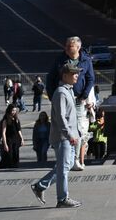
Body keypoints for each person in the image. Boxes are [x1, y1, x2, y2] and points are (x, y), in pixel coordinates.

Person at [31, 59, 84, 208]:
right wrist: (69, 135)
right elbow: (61, 117)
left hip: (69, 137)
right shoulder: (61, 93)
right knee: (63, 170)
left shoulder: (68, 91)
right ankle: (62, 199)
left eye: (77, 74)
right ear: (65, 75)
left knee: (64, 167)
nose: (77, 76)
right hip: (63, 138)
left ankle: (40, 186)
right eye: (74, 74)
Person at [46, 36, 95, 170]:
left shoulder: (85, 60)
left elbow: (91, 79)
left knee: (78, 130)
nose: (66, 48)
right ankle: (63, 157)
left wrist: (84, 95)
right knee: (62, 125)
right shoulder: (60, 60)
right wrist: (52, 96)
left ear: (78, 48)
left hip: (78, 100)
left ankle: (74, 159)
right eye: (66, 45)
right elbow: (50, 79)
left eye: (69, 46)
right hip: (63, 98)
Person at [0, 104, 23, 168]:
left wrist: (22, 139)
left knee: (16, 152)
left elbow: (19, 130)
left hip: (16, 139)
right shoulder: (5, 120)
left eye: (15, 110)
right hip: (9, 139)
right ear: (9, 110)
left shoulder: (16, 119)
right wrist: (5, 144)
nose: (14, 112)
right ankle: (9, 166)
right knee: (10, 154)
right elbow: (3, 132)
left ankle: (15, 165)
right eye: (12, 110)